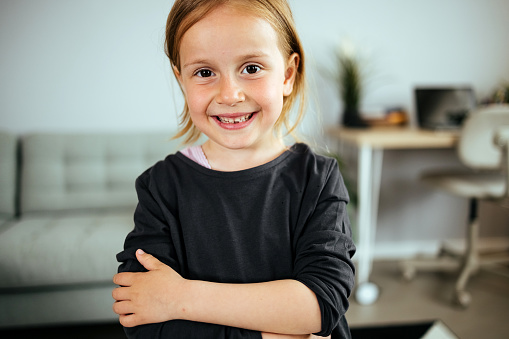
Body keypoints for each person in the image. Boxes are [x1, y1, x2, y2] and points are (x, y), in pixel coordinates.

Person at [112, 0, 356, 338]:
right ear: (181, 78)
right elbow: (143, 317)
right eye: (205, 72)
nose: (229, 94)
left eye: (252, 68)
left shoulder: (318, 179)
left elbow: (320, 304)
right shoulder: (161, 186)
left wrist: (180, 296)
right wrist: (273, 334)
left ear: (287, 74)